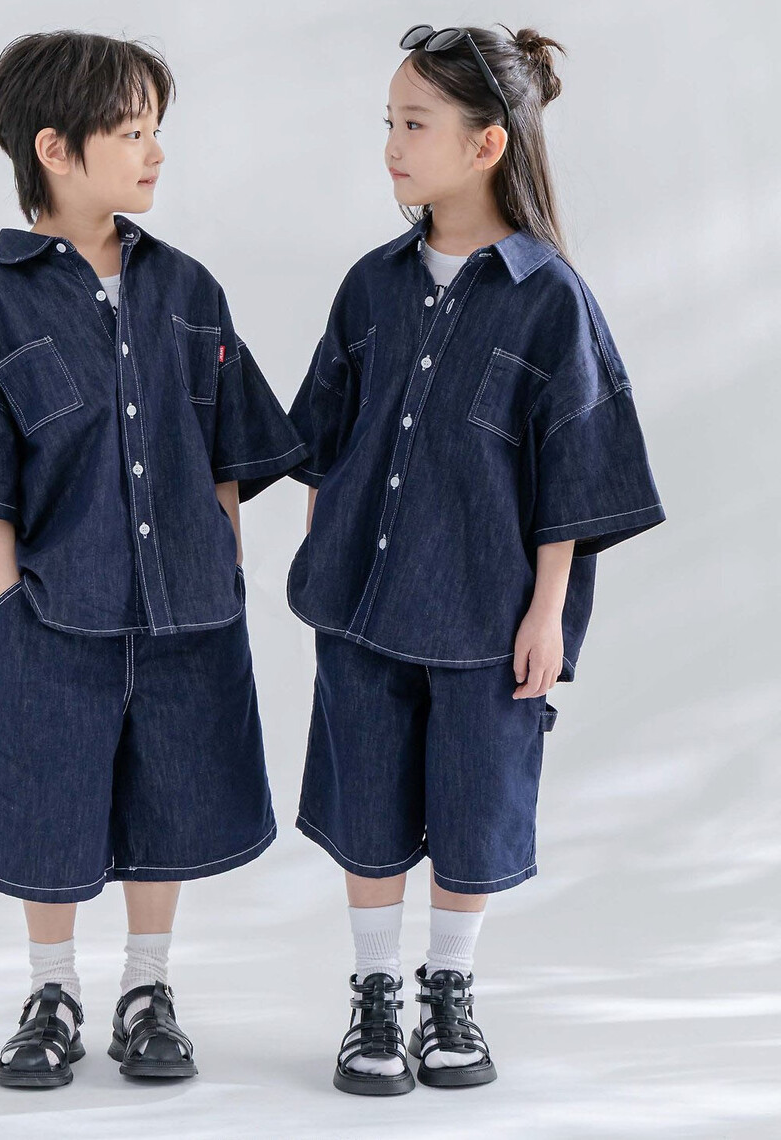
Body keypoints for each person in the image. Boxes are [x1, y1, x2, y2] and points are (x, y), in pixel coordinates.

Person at [0, 30, 307, 1088]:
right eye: (131, 133)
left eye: (155, 131)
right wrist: (7, 605)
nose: (154, 152)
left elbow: (227, 446)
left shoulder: (189, 291)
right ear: (55, 149)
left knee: (169, 796)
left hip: (186, 609)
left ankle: (147, 988)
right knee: (48, 803)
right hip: (52, 613)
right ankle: (52, 992)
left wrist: (224, 561)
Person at [281, 24, 665, 1095]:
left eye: (414, 124)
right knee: (365, 804)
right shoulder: (370, 286)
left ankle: (448, 993)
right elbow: (324, 439)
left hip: (488, 616)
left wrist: (547, 612)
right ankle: (373, 998)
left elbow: (574, 475)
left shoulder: (550, 300)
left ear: (486, 143)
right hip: (363, 609)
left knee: (474, 803)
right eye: (389, 123)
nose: (391, 146)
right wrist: (323, 562)